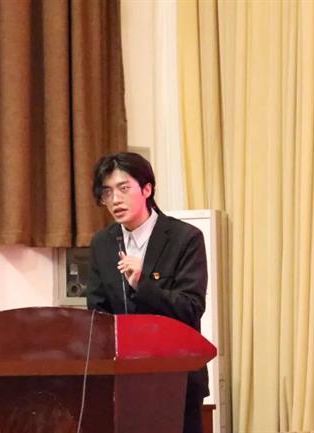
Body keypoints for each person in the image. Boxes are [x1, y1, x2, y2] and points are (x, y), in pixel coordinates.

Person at [86, 151, 209, 433]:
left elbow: (190, 308)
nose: (115, 200)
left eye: (123, 188)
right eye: (107, 192)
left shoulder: (185, 238)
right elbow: (97, 312)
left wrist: (144, 284)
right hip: (121, 383)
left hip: (177, 379)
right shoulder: (103, 243)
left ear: (147, 189)